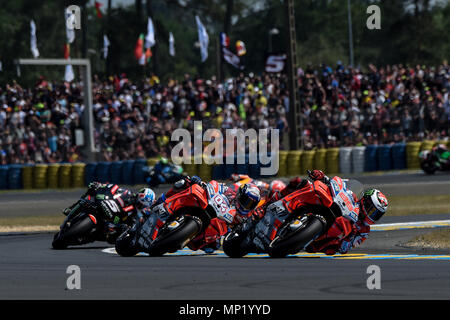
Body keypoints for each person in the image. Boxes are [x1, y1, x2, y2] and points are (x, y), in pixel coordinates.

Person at [250, 169, 388, 255]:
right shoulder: (353, 197)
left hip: (325, 240)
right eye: (372, 209)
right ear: (365, 201)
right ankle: (267, 206)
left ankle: (298, 238)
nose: (372, 214)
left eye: (376, 214)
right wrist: (321, 176)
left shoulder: (363, 230)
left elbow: (346, 247)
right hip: (330, 207)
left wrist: (345, 240)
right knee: (303, 184)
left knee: (331, 249)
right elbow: (337, 184)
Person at [156, 175, 261, 253]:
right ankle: (161, 201)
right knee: (184, 182)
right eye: (246, 200)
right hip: (208, 207)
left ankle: (186, 238)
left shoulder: (244, 217)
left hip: (215, 230)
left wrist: (233, 232)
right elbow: (216, 186)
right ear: (240, 194)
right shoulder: (230, 192)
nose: (246, 205)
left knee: (212, 247)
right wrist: (201, 183)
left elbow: (238, 231)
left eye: (251, 204)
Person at [63, 182, 156, 244]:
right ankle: (71, 209)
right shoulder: (127, 193)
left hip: (110, 224)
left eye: (142, 205)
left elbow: (131, 228)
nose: (139, 205)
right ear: (139, 196)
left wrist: (125, 228)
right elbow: (113, 187)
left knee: (111, 238)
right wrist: (100, 185)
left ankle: (82, 239)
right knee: (89, 196)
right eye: (140, 202)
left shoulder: (136, 215)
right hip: (103, 205)